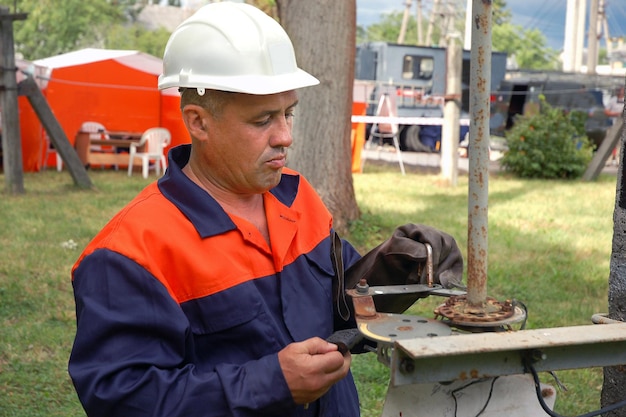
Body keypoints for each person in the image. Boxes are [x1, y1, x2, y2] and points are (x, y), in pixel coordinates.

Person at [68, 3, 464, 417]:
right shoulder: (131, 252)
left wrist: (396, 268)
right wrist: (270, 384)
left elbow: (339, 310)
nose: (285, 136)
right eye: (263, 120)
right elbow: (123, 398)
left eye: (289, 113)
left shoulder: (296, 198)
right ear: (199, 122)